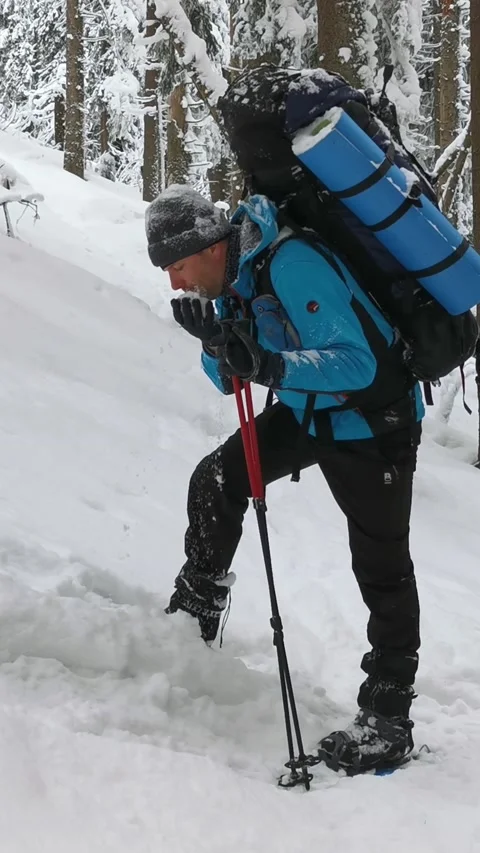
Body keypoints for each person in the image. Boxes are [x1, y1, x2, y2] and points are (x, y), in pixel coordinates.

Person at [145, 182, 424, 774]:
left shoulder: (292, 263)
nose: (175, 282)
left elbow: (357, 362)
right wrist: (219, 341)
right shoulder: (231, 280)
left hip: (373, 420)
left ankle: (389, 714)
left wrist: (265, 362)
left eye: (177, 265)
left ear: (209, 245)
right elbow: (231, 381)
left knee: (381, 562)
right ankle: (195, 615)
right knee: (218, 478)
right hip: (306, 410)